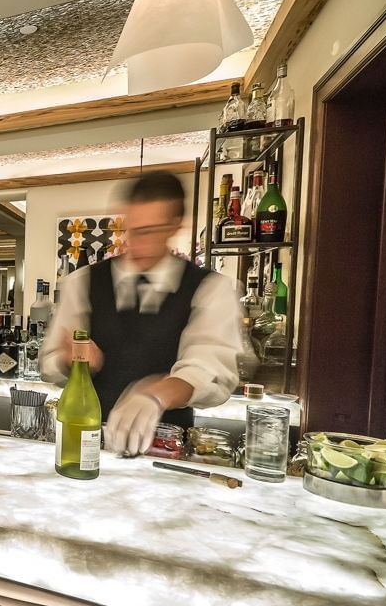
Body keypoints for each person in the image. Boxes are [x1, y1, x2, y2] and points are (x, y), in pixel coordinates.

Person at [41, 172, 242, 456]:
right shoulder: (83, 282)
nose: (138, 243)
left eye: (151, 231)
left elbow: (212, 371)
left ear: (175, 225)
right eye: (133, 230)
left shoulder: (210, 288)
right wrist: (70, 360)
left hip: (166, 448)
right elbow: (51, 362)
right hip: (88, 442)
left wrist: (157, 394)